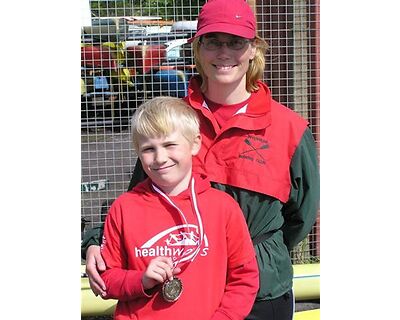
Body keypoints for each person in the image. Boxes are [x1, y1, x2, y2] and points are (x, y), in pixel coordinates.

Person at [82, 0, 320, 319]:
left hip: (261, 291)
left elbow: (300, 216)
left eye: (235, 42)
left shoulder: (289, 128)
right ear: (197, 48)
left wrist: (257, 251)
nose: (224, 52)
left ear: (253, 50)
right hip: (184, 292)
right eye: (213, 41)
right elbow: (140, 199)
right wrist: (97, 240)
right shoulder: (168, 123)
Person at [98, 96, 259, 320]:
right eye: (148, 149)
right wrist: (141, 280)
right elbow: (107, 278)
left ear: (194, 144)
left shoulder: (223, 207)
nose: (160, 158)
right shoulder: (123, 207)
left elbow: (245, 277)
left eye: (170, 145)